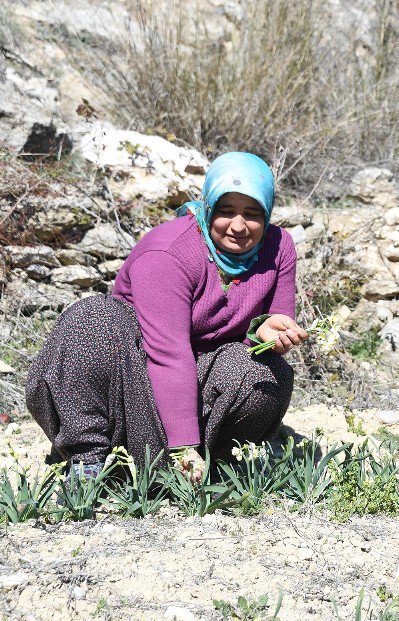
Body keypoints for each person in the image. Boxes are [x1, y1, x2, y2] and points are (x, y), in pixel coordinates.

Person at [26, 152, 308, 482]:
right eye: (226, 211)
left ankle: (212, 465)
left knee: (268, 373)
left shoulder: (278, 247)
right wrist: (184, 446)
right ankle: (89, 459)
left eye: (253, 213)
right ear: (209, 206)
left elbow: (269, 325)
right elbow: (167, 353)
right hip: (134, 382)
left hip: (199, 378)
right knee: (92, 318)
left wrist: (264, 331)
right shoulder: (169, 252)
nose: (238, 226)